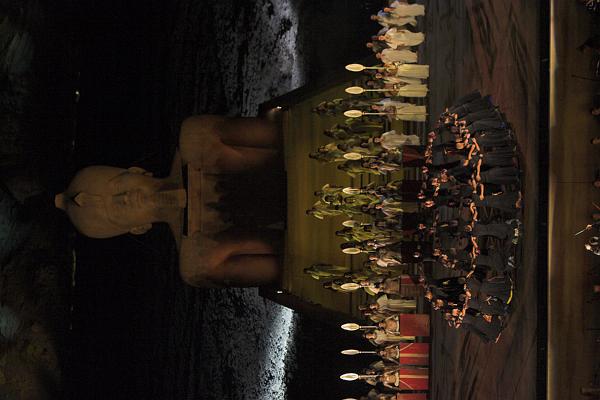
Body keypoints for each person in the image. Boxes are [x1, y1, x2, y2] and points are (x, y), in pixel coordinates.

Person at [55, 115, 284, 288]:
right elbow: (283, 268)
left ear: (136, 170)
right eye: (116, 209)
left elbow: (283, 133)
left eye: (117, 186)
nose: (125, 198)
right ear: (138, 228)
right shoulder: (199, 261)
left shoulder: (198, 138)